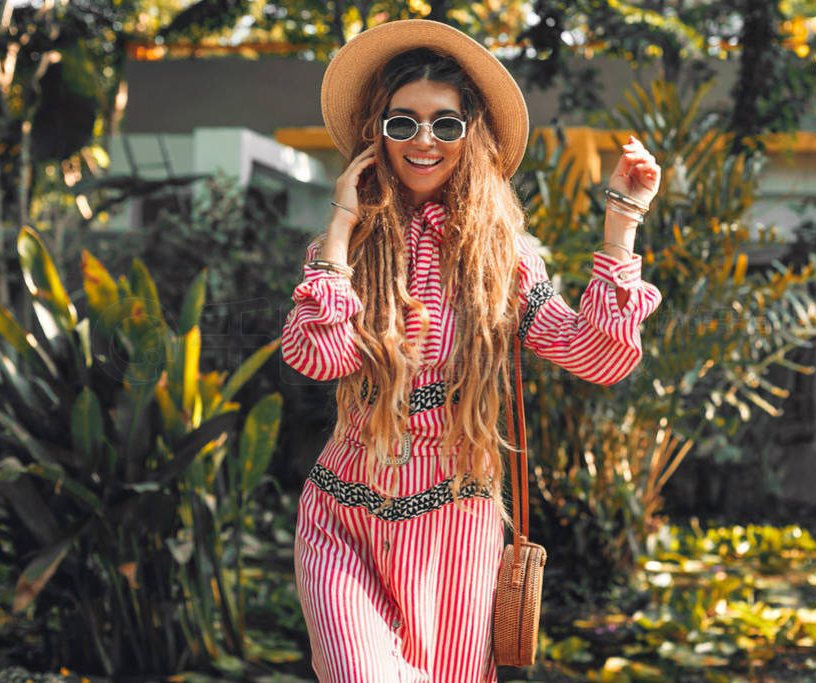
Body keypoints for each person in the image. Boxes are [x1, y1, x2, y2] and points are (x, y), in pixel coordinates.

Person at [280, 19, 662, 683]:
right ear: (379, 134)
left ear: (471, 133)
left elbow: (599, 356)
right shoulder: (344, 253)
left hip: (453, 530)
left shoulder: (500, 261)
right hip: (340, 519)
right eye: (403, 124)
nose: (424, 141)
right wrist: (342, 225)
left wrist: (622, 223)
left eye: (445, 124)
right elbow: (318, 357)